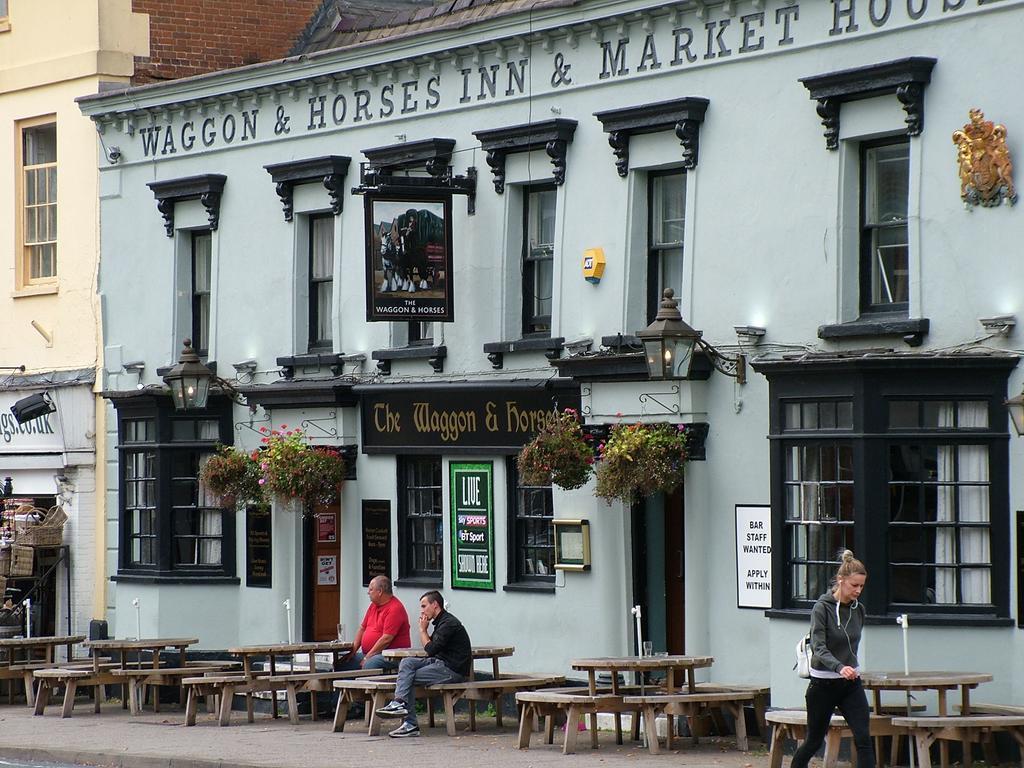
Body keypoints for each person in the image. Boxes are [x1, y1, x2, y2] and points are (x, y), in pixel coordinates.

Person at [790, 550, 873, 768]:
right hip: (823, 684)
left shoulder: (859, 610)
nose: (858, 590)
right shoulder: (822, 608)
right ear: (840, 580)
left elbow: (852, 643)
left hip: (850, 684)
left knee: (864, 739)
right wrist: (839, 667)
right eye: (854, 585)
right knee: (813, 741)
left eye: (862, 586)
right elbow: (818, 647)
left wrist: (849, 668)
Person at [375, 590, 472, 738]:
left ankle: (410, 724)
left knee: (409, 678)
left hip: (452, 669)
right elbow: (431, 650)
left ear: (435, 605)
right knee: (407, 663)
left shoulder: (449, 623)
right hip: (439, 663)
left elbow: (430, 649)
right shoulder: (441, 622)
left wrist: (422, 630)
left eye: (424, 606)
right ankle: (399, 703)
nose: (422, 610)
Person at [339, 575, 410, 672]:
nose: (368, 592)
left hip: (390, 655)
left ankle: (363, 687)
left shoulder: (395, 608)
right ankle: (342, 687)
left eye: (371, 589)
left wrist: (367, 657)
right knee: (343, 663)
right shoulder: (373, 605)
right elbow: (362, 628)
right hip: (370, 653)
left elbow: (386, 639)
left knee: (370, 664)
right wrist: (353, 650)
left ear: (380, 591)